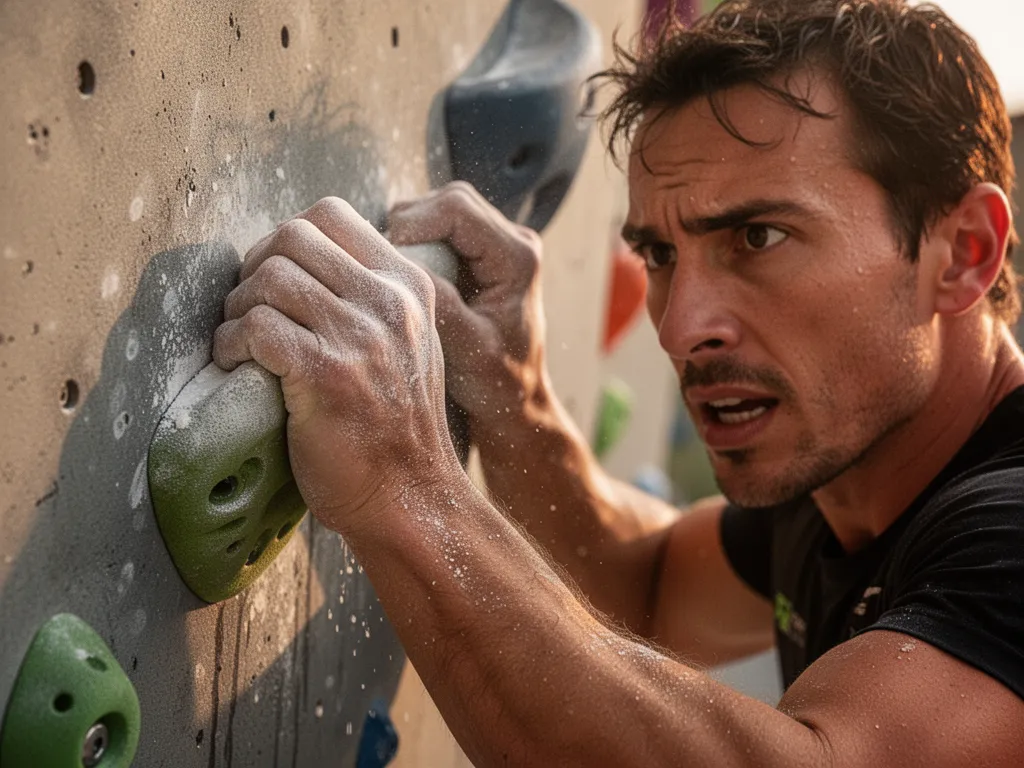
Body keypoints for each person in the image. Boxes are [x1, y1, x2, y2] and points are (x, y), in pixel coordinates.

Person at [214, 0, 1024, 764]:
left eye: (759, 235)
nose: (679, 328)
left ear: (964, 253)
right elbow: (643, 588)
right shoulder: (845, 476)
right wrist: (510, 390)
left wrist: (404, 482)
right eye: (661, 255)